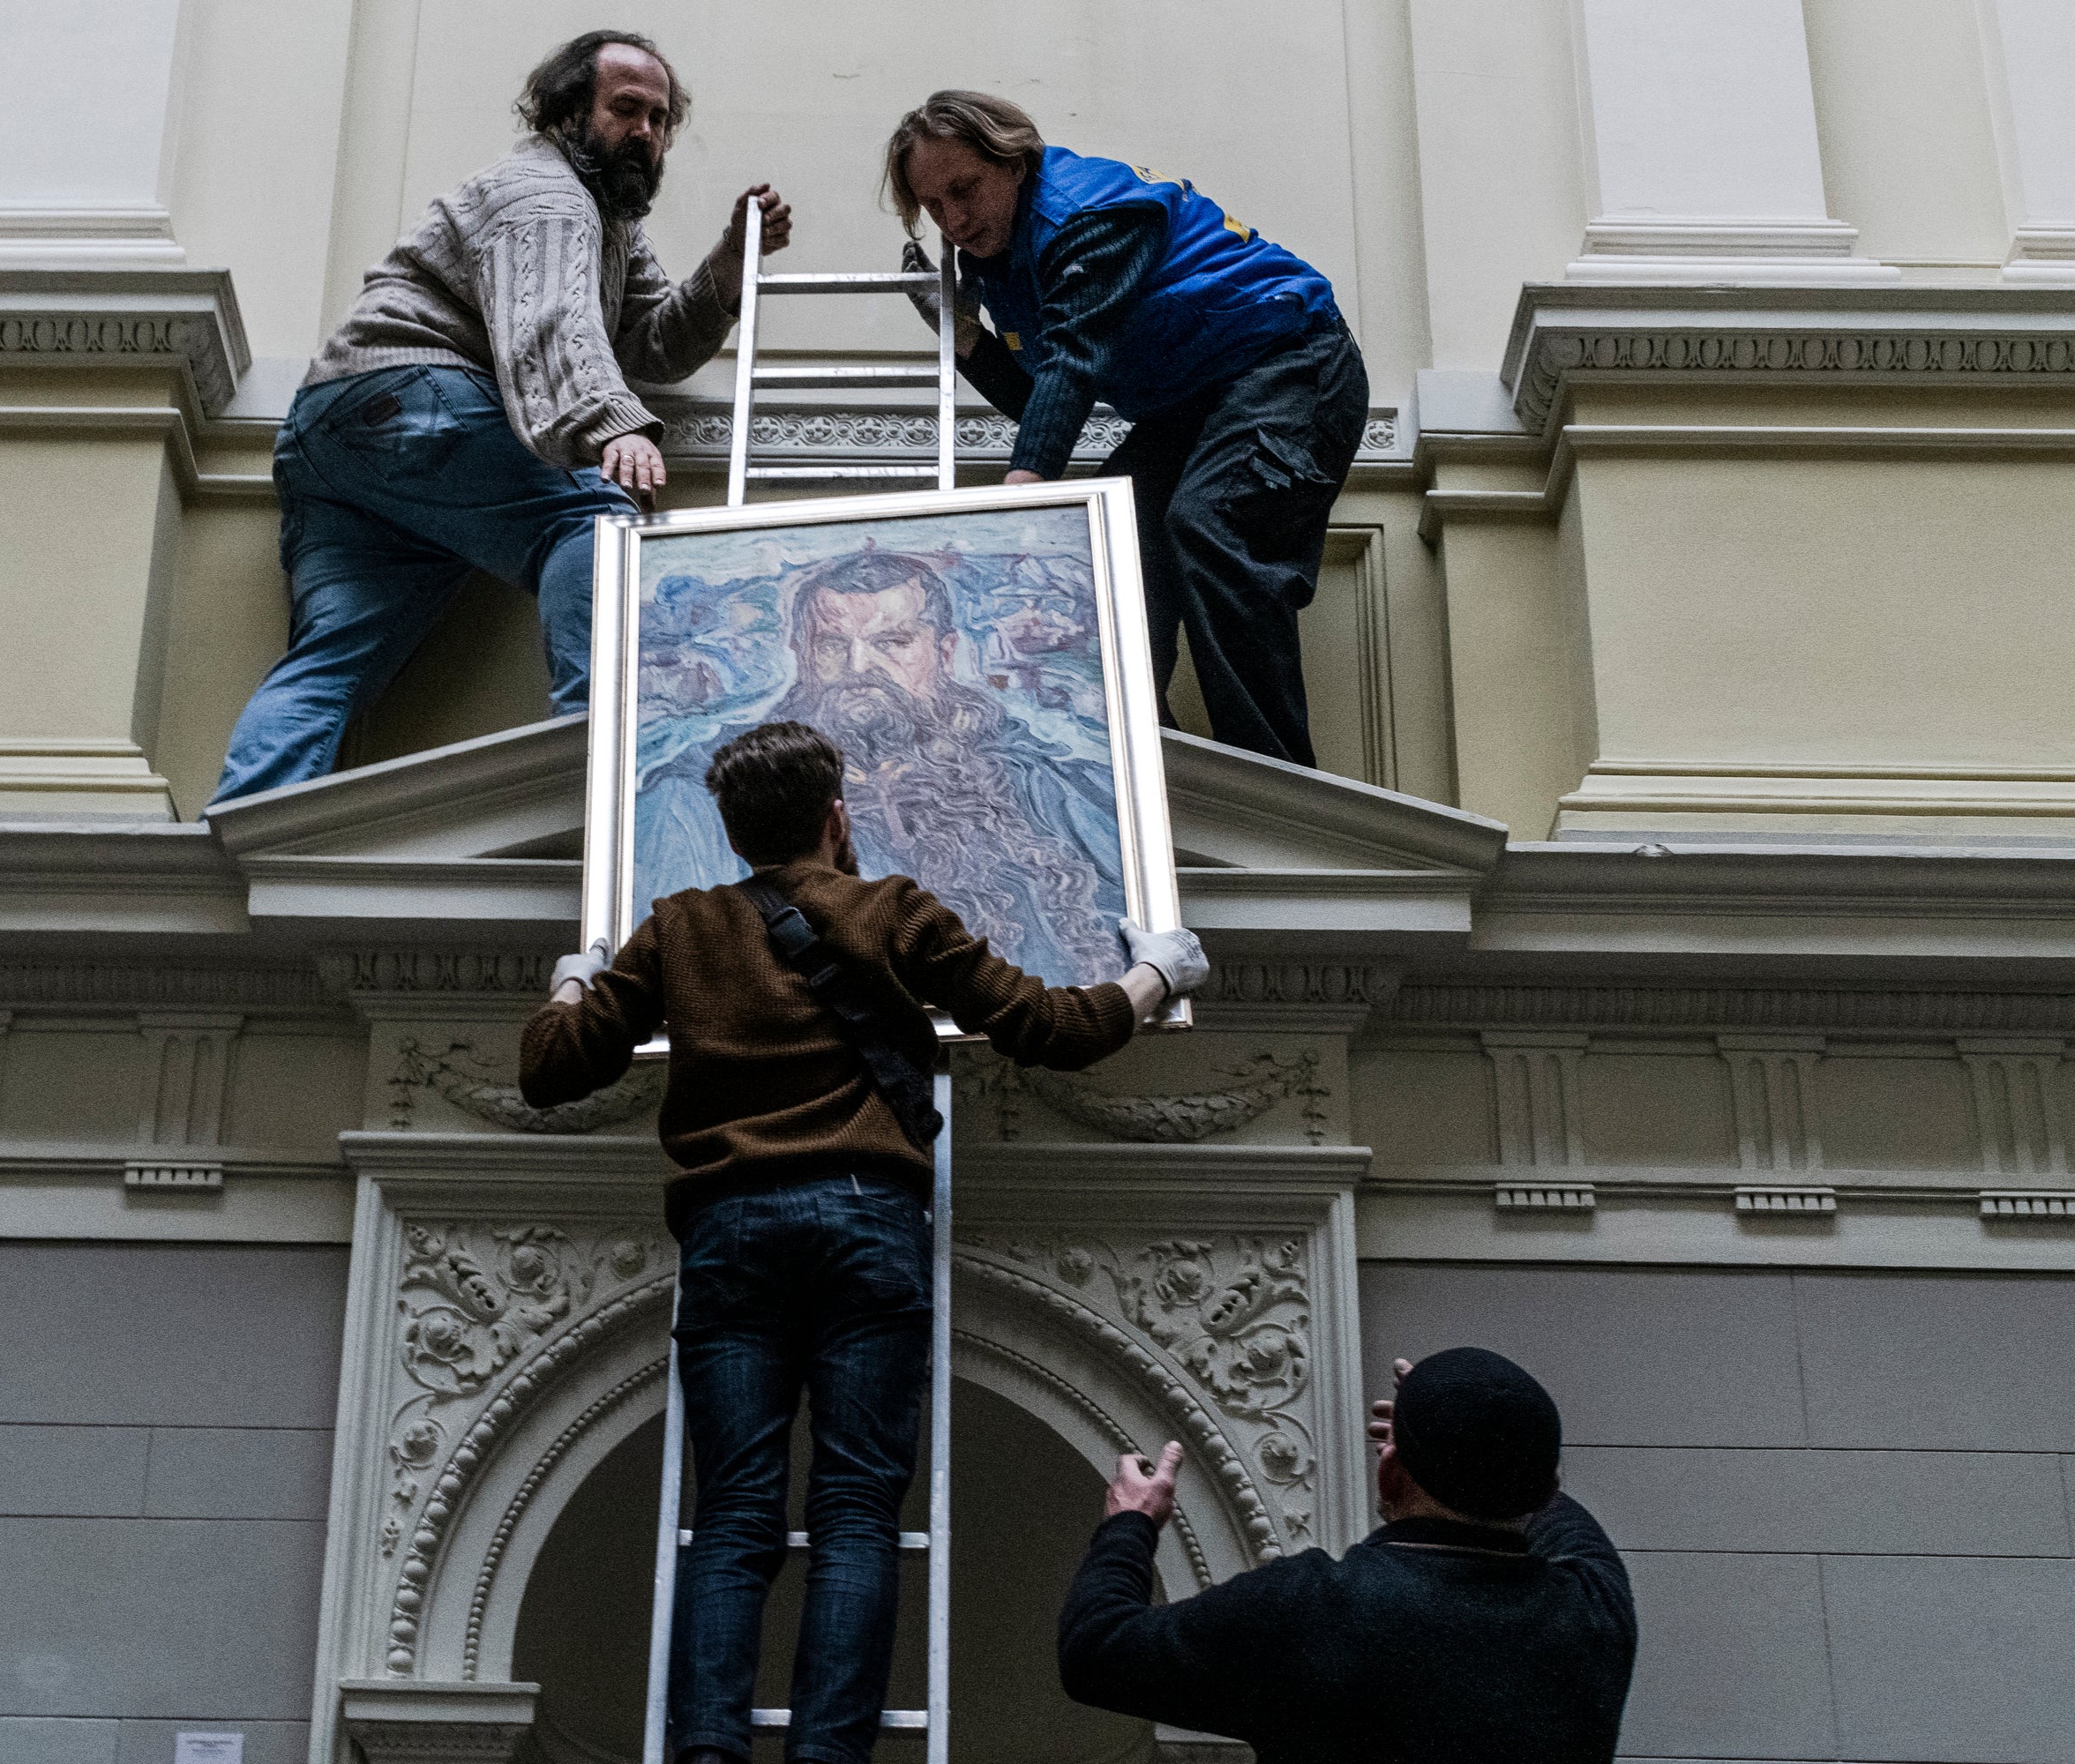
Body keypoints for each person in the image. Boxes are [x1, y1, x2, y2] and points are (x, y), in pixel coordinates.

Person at [521, 721, 1209, 1764]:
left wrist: (576, 977)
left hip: (729, 1228)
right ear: (837, 816)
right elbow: (1052, 1028)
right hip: (864, 1219)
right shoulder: (891, 911)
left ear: (731, 829)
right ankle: (830, 1752)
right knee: (852, 1510)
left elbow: (552, 1066)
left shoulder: (679, 926)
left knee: (735, 1511)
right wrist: (1156, 972)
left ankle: (706, 1747)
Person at [208, 30, 794, 804]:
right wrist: (609, 422)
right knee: (595, 522)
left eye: (659, 119)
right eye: (625, 109)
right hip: (412, 399)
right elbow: (551, 323)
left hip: (338, 433)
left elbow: (649, 342)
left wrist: (727, 262)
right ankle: (603, 776)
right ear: (563, 113)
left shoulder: (607, 224)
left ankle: (238, 828)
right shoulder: (545, 196)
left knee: (335, 657)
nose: (645, 133)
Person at [884, 91, 1368, 770]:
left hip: (1290, 361)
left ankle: (1276, 782)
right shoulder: (996, 258)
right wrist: (965, 338)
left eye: (964, 189)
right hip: (1191, 403)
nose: (953, 219)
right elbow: (1044, 400)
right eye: (933, 206)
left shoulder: (1087, 216)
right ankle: (1146, 767)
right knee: (1105, 544)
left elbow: (1075, 362)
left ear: (1015, 163)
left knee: (1208, 525)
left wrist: (1022, 491)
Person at [1058, 1347, 1637, 1764]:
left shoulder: (1306, 1610)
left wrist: (1130, 1522)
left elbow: (1095, 1648)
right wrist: (1460, 1431)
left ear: (1388, 1476)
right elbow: (1549, 1502)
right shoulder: (1597, 1613)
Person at [636, 547, 1126, 984]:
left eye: (891, 642)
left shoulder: (1048, 786)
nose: (858, 668)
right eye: (831, 645)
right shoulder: (697, 799)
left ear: (945, 652)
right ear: (800, 654)